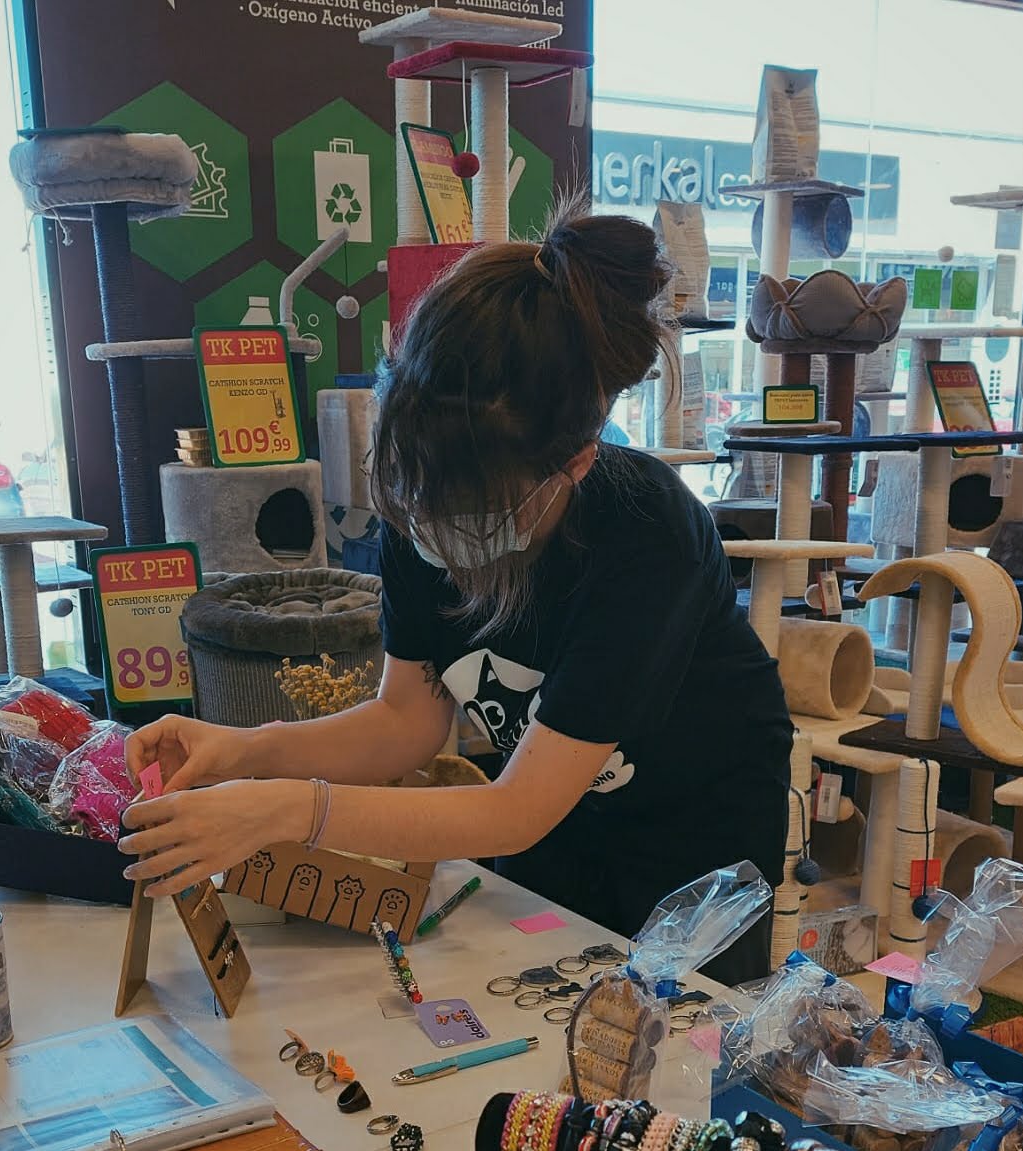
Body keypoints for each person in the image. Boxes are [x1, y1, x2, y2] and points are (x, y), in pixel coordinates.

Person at [119, 206, 792, 983]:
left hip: (693, 827)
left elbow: (514, 808)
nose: (433, 531)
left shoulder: (646, 535)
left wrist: (286, 806)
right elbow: (405, 720)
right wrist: (244, 751)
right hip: (550, 814)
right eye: (418, 499)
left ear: (574, 463)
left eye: (471, 510)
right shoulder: (421, 489)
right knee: (540, 993)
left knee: (681, 1028)